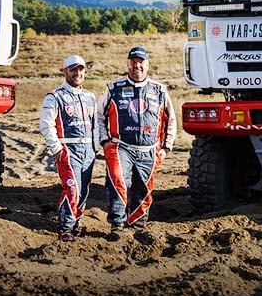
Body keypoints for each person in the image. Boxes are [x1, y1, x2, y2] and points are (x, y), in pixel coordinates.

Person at [97, 46, 176, 237]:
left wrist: (166, 146)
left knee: (144, 188)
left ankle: (138, 225)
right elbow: (99, 116)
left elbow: (171, 119)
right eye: (133, 62)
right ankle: (117, 223)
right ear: (127, 64)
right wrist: (105, 140)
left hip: (149, 149)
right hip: (120, 146)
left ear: (147, 65)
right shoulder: (113, 88)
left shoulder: (159, 90)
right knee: (117, 181)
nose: (137, 66)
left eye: (141, 62)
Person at [38, 54, 100, 242]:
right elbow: (46, 124)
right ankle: (65, 228)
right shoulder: (55, 96)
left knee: (83, 191)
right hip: (68, 149)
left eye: (81, 69)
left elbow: (96, 124)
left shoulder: (90, 97)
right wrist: (57, 148)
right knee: (72, 189)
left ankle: (76, 223)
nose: (77, 73)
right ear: (65, 71)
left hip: (88, 150)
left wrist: (96, 146)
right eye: (73, 69)